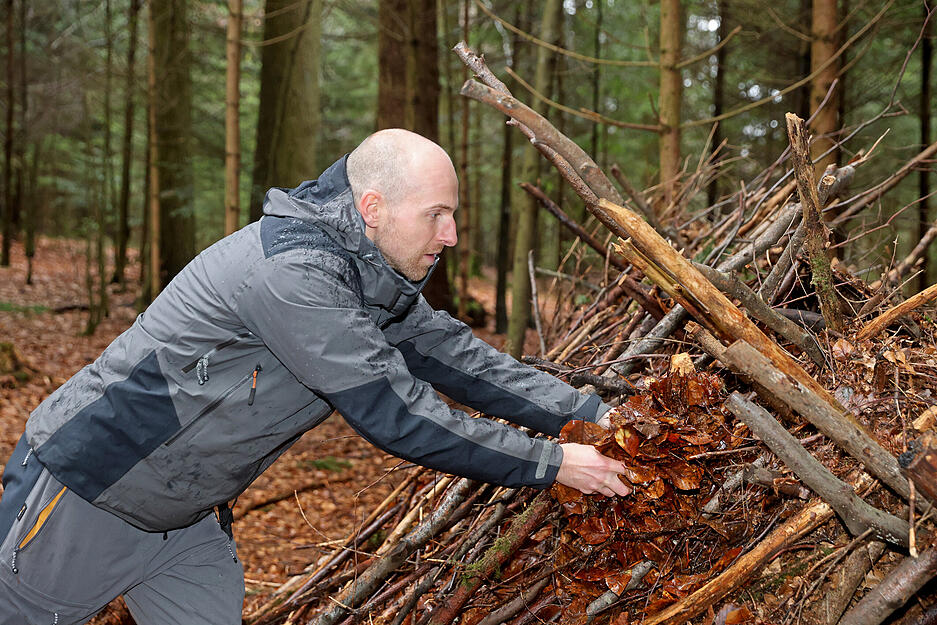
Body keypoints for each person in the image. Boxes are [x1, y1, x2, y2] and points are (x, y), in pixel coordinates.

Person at [0, 129, 630, 625]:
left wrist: (596, 414)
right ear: (373, 207)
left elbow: (464, 362)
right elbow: (398, 413)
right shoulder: (294, 276)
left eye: (453, 215)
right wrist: (553, 463)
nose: (453, 235)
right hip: (86, 494)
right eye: (438, 214)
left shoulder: (371, 279)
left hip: (184, 524)